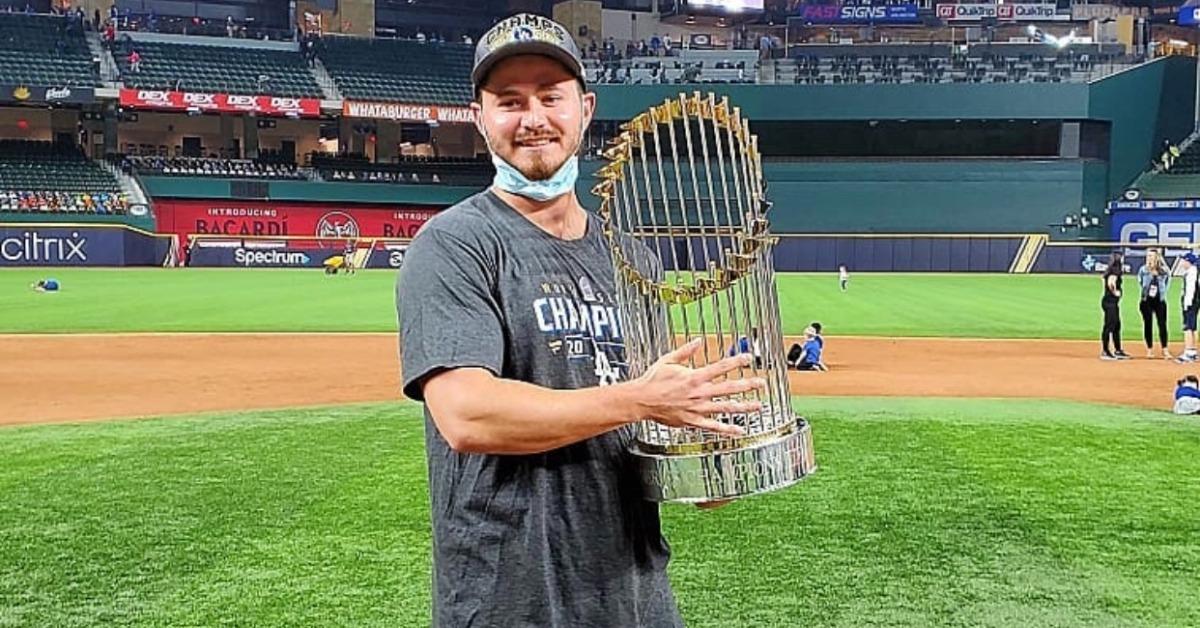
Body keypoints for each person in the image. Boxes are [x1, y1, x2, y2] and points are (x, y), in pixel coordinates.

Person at [396, 14, 762, 627]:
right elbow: (467, 414)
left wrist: (704, 452)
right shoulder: (454, 244)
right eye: (509, 101)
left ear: (585, 109)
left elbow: (649, 427)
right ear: (481, 117)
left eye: (550, 96)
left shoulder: (631, 258)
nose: (532, 117)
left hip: (635, 597)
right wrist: (641, 399)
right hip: (509, 601)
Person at [1138, 247, 1171, 359]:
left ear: (1157, 257)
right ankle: (1149, 349)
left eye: (1151, 256)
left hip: (1159, 300)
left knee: (1162, 325)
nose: (1149, 258)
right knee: (1148, 324)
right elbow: (1141, 282)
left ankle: (1165, 349)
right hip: (1147, 300)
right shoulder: (1143, 270)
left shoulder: (1164, 270)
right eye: (1148, 256)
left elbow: (1167, 283)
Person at [1100, 251, 1129, 360]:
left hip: (1110, 302)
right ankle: (1105, 351)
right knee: (1109, 326)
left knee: (1116, 325)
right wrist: (1115, 291)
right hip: (1110, 302)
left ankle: (1118, 350)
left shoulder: (1110, 270)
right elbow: (1111, 283)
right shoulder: (1115, 271)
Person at [1178, 252, 1200, 364]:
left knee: (1188, 327)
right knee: (1192, 327)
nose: (1181, 262)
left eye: (1183, 260)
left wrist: (1187, 304)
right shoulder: (1193, 271)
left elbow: (1191, 290)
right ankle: (1192, 351)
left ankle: (1189, 352)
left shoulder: (1192, 272)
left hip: (1190, 303)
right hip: (1194, 302)